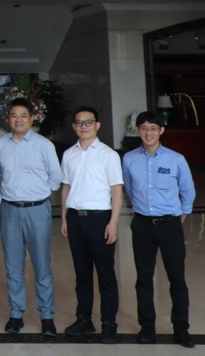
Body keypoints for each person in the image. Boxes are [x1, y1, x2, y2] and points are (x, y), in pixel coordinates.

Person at [122, 111, 196, 348]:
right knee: (143, 279)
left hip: (170, 225)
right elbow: (129, 189)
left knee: (177, 279)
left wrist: (181, 214)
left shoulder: (176, 159)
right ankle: (147, 327)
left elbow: (188, 190)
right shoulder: (129, 159)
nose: (148, 133)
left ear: (161, 130)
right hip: (142, 225)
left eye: (153, 128)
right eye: (144, 128)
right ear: (138, 131)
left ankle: (181, 329)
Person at [0, 96, 61, 337]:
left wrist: (38, 193)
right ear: (8, 119)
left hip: (37, 210)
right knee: (13, 266)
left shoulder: (44, 145)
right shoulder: (1, 144)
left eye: (23, 115)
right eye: (14, 115)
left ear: (32, 119)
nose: (19, 119)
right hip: (10, 210)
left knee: (41, 264)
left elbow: (55, 177)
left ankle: (46, 316)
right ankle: (16, 314)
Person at [60, 105, 124, 344]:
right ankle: (84, 319)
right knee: (82, 274)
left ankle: (109, 324)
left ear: (97, 125)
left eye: (88, 122)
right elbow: (66, 187)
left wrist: (113, 223)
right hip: (75, 219)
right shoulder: (69, 154)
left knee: (106, 275)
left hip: (100, 219)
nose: (84, 126)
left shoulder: (109, 155)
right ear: (74, 126)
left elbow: (117, 191)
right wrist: (65, 218)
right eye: (79, 122)